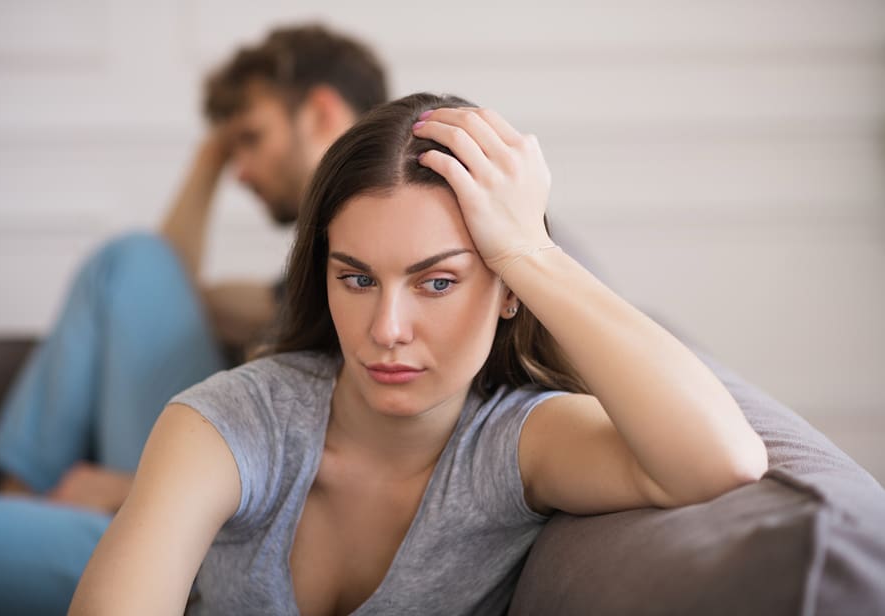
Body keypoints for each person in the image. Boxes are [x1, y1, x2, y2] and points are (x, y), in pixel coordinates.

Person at [69, 92, 768, 615]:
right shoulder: (229, 424)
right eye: (357, 279)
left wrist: (530, 250)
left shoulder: (515, 446)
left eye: (436, 282)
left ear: (508, 291)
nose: (388, 329)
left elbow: (724, 459)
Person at [0, 23, 387, 616]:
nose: (242, 171)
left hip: (224, 533)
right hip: (189, 490)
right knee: (131, 260)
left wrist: (128, 491)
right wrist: (209, 159)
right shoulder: (311, 283)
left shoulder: (390, 278)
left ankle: (30, 512)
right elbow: (164, 285)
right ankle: (24, 500)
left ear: (320, 113)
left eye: (251, 138)